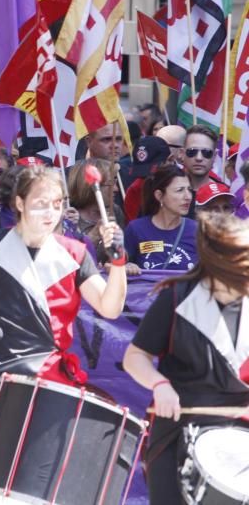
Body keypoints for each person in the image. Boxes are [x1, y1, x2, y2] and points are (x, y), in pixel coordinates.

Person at [0, 166, 127, 505]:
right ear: (19, 203)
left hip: (50, 389)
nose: (49, 212)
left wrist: (120, 262)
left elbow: (110, 308)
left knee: (30, 494)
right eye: (40, 203)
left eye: (56, 203)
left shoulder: (75, 253)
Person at [122, 214, 249, 505]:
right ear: (219, 262)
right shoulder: (177, 297)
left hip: (241, 433)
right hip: (178, 431)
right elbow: (135, 357)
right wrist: (159, 384)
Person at [124, 165, 197, 275]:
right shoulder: (136, 229)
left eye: (189, 190)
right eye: (180, 190)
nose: (188, 197)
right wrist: (127, 266)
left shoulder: (197, 230)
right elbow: (113, 266)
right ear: (159, 196)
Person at [182, 124, 221, 196]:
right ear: (182, 153)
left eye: (206, 152)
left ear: (214, 156)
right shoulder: (168, 191)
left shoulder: (222, 194)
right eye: (192, 151)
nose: (199, 158)